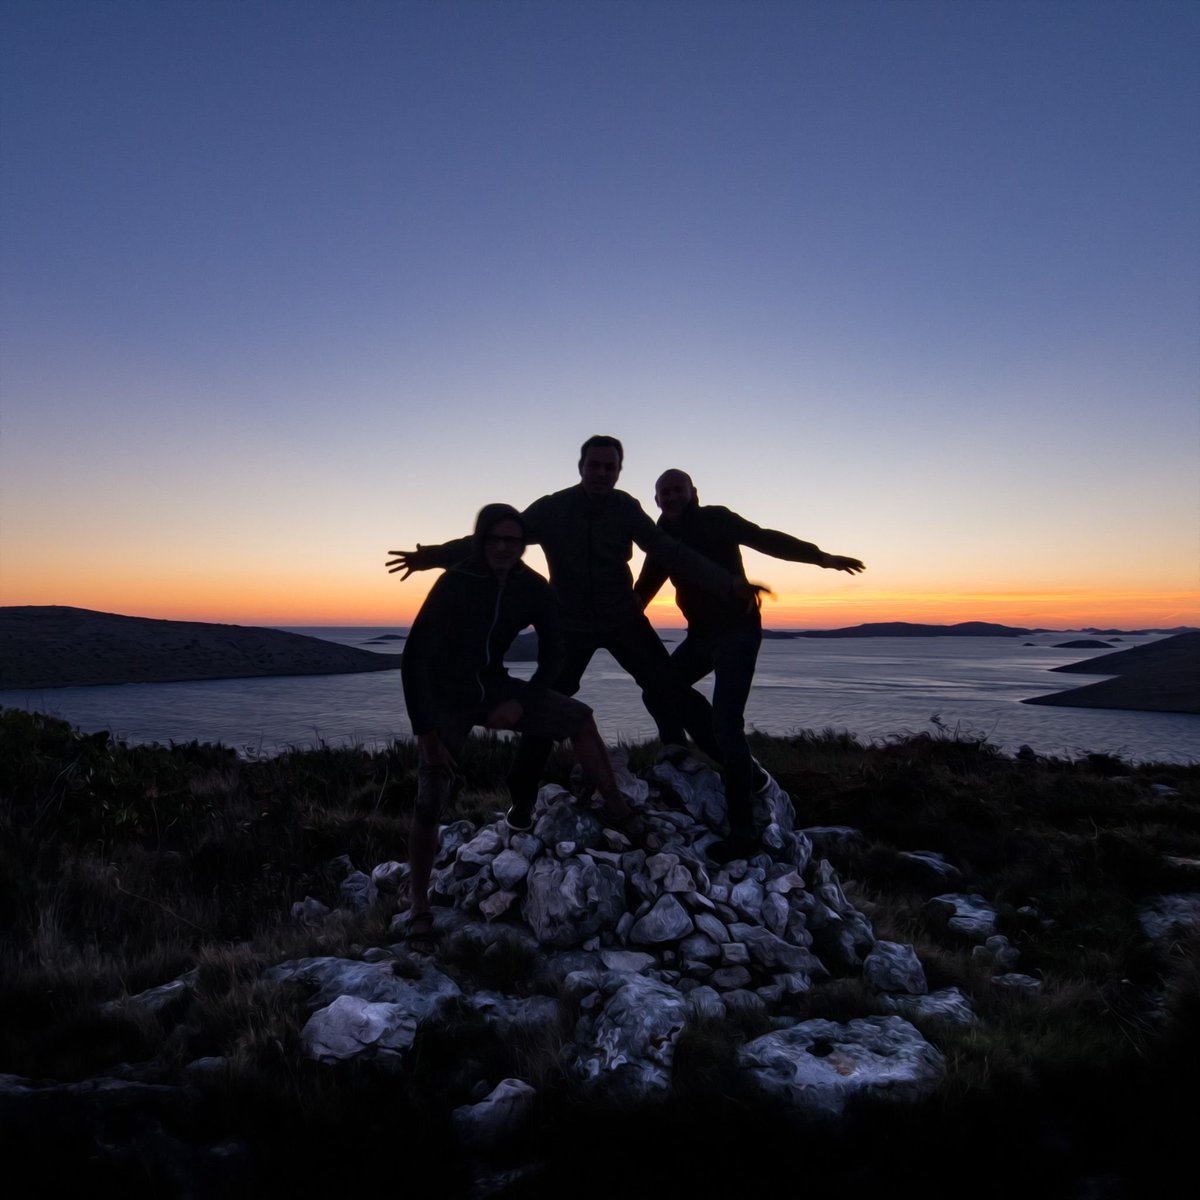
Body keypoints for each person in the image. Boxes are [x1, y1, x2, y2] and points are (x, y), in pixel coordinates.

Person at [388, 436, 754, 829]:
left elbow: (667, 549)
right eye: (594, 465)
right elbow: (495, 539)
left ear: (618, 472)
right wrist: (430, 557)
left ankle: (743, 772)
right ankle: (522, 804)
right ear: (580, 467)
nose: (601, 472)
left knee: (673, 690)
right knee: (544, 707)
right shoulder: (553, 509)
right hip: (570, 626)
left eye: (609, 467)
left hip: (622, 620)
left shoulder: (625, 508)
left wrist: (724, 582)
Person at [399, 502, 641, 952]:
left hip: (493, 687)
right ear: (481, 539)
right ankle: (419, 907)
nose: (504, 548)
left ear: (523, 544)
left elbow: (555, 652)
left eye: (513, 540)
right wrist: (428, 737)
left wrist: (520, 701)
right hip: (445, 694)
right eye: (495, 538)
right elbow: (414, 658)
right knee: (431, 795)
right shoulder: (456, 581)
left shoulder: (532, 587)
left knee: (580, 719)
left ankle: (618, 810)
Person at [635, 469, 865, 863]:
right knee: (658, 689)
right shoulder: (660, 540)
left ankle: (743, 830)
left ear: (693, 493)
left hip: (737, 634)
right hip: (700, 636)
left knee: (727, 724)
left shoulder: (717, 519)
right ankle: (680, 752)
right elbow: (643, 590)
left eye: (679, 490)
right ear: (656, 500)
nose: (672, 496)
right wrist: (604, 623)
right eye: (664, 492)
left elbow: (765, 539)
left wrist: (820, 557)